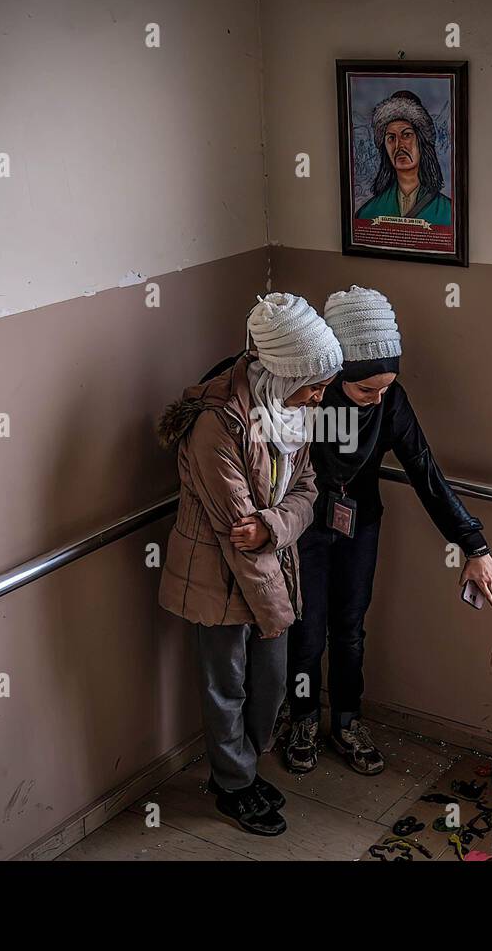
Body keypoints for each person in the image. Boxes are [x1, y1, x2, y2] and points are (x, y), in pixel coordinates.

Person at [283, 285, 492, 776]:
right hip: (304, 527)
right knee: (306, 631)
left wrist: (474, 543)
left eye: (384, 388)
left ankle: (347, 721)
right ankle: (302, 719)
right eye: (366, 391)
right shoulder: (308, 399)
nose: (377, 399)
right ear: (336, 378)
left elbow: (426, 473)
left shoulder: (391, 402)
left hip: (361, 525)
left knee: (350, 632)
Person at [156, 292, 343, 835]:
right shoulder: (217, 423)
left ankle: (239, 768)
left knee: (272, 683)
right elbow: (239, 536)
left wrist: (276, 526)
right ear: (283, 374)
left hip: (270, 567)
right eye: (315, 384)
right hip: (216, 578)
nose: (319, 397)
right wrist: (279, 605)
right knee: (226, 685)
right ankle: (233, 784)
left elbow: (309, 491)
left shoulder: (292, 411)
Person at [355, 90, 452, 226]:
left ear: (422, 141)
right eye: (391, 138)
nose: (399, 145)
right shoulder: (368, 213)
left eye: (406, 135)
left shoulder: (447, 212)